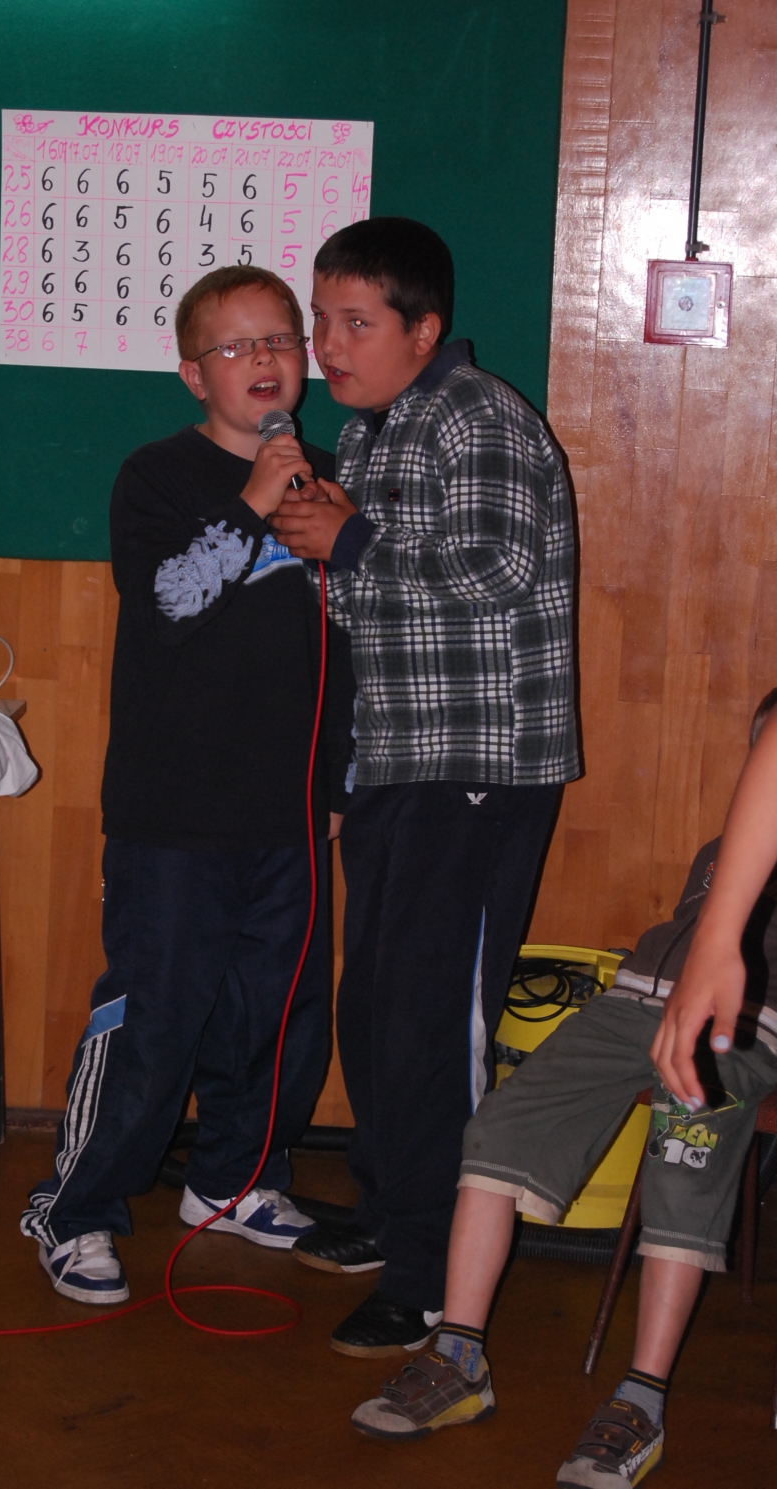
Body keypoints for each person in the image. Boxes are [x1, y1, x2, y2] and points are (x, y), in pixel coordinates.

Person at [270, 217, 579, 1356]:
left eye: (356, 323)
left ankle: (431, 1278)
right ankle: (395, 1213)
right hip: (399, 760)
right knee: (374, 1010)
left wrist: (348, 542)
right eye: (321, 320)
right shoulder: (373, 430)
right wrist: (323, 548)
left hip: (481, 766)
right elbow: (372, 602)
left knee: (431, 1025)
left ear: (423, 328)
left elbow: (497, 569)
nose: (327, 345)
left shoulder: (474, 416)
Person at [20, 266, 354, 1304]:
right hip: (174, 812)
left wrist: (337, 779)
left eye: (281, 340)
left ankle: (234, 1180)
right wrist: (253, 501)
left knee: (277, 1013)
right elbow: (170, 600)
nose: (264, 360)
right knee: (154, 1017)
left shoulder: (330, 480)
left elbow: (344, 647)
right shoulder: (157, 477)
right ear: (192, 374)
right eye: (235, 346)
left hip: (288, 811)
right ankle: (75, 1206)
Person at [347, 690, 777, 1486]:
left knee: (681, 1172)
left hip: (743, 1027)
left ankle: (640, 1402)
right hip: (633, 1004)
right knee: (497, 1130)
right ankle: (459, 1360)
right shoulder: (724, 847)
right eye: (761, 755)